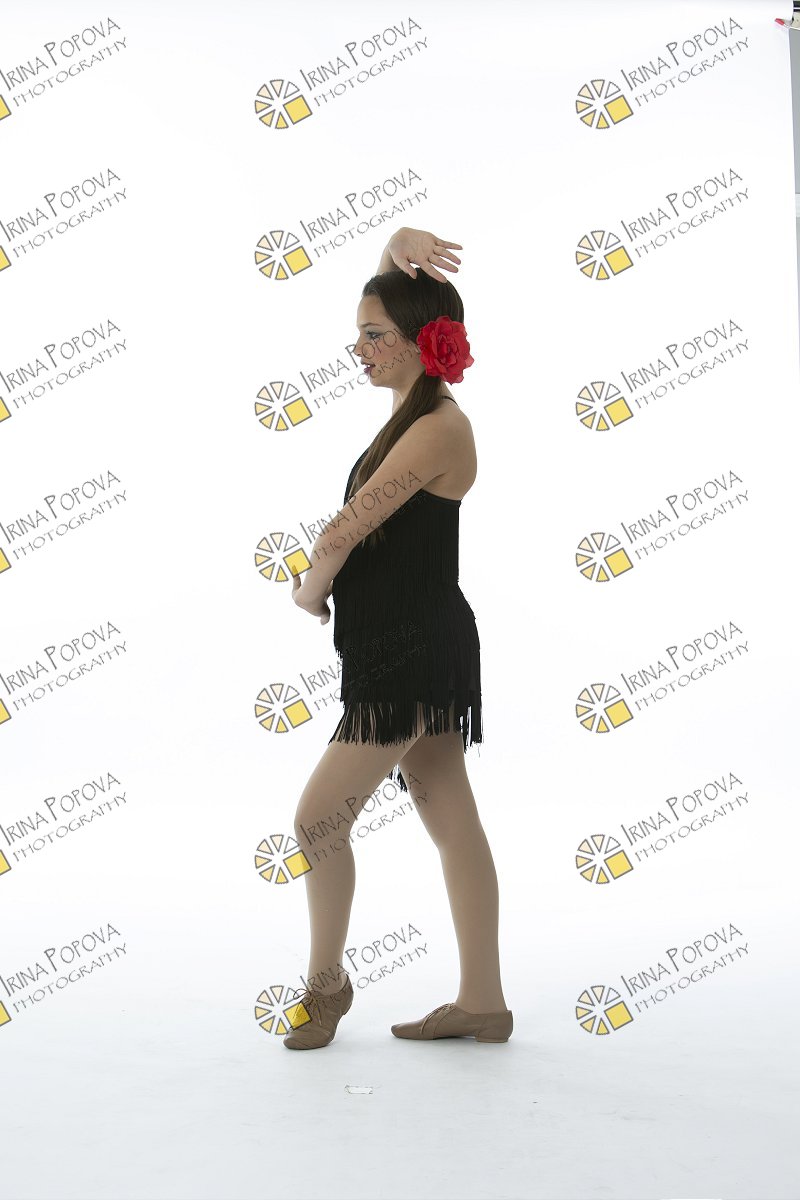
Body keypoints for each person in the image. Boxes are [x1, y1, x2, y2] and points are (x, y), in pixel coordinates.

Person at [287, 226, 512, 1049]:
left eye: (374, 336)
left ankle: (327, 987)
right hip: (411, 643)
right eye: (358, 334)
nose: (360, 349)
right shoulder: (415, 411)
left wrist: (310, 591)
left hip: (410, 654)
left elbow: (345, 529)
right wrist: (391, 246)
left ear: (422, 341)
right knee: (451, 818)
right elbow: (406, 304)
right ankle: (483, 1002)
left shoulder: (439, 428)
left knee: (317, 822)